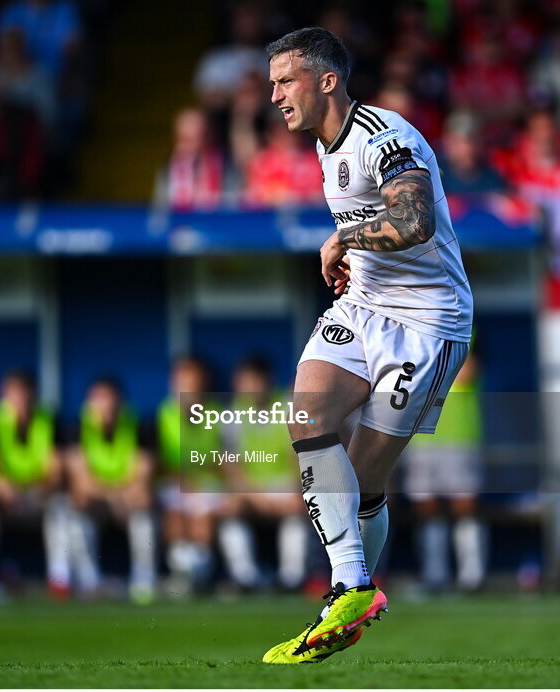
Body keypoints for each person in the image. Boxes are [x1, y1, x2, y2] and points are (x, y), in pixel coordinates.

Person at [261, 27, 472, 663]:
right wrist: (350, 245)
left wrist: (345, 239)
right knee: (306, 417)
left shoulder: (386, 138)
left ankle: (350, 596)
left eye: (285, 81)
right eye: (272, 83)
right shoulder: (325, 145)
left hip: (431, 323)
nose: (274, 95)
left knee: (364, 475)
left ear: (326, 81)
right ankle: (350, 589)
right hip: (365, 307)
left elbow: (415, 221)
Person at [0, 370, 69, 600]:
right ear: (4, 396)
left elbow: (56, 472)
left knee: (61, 504)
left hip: (39, 498)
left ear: (35, 395)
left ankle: (61, 580)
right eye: (15, 395)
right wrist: (7, 491)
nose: (21, 401)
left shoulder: (49, 421)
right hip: (6, 500)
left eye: (26, 394)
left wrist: (37, 491)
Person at [219, 356, 307, 591]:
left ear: (267, 380)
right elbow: (232, 465)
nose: (248, 387)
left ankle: (291, 578)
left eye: (254, 381)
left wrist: (297, 492)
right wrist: (256, 497)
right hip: (252, 489)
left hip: (284, 485)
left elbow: (298, 457)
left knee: (300, 506)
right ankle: (245, 577)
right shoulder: (233, 412)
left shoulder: (289, 407)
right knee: (231, 507)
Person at [65, 377, 157, 604]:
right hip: (101, 503)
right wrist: (115, 496)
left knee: (145, 514)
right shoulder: (77, 428)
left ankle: (143, 581)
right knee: (76, 511)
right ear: (89, 403)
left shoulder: (140, 426)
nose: (107, 406)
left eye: (111, 399)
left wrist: (121, 497)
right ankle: (89, 581)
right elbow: (81, 483)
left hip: (128, 503)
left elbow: (143, 477)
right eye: (100, 399)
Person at [404, 352, 486, 593]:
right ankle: (434, 576)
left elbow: (464, 373)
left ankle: (472, 577)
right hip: (421, 437)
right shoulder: (410, 335)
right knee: (426, 506)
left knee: (465, 505)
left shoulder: (468, 332)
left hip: (458, 438)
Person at [155, 356, 225, 594]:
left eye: (193, 384)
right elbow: (160, 463)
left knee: (202, 511)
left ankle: (200, 573)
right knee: (173, 510)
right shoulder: (163, 415)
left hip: (210, 485)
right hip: (175, 483)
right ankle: (180, 571)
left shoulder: (218, 414)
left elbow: (226, 460)